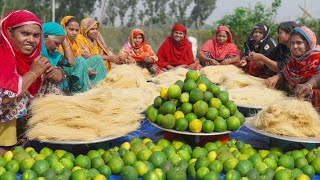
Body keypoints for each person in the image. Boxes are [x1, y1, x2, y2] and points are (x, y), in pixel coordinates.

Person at [0, 10, 58, 151]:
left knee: (47, 82)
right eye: (25, 33)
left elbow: (52, 81)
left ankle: (37, 136)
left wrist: (55, 73)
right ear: (9, 33)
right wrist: (33, 72)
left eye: (36, 35)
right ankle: (5, 145)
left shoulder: (30, 58)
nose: (31, 40)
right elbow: (5, 98)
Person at [266, 26, 320, 110]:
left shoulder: (317, 58)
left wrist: (309, 85)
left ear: (308, 44)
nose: (294, 46)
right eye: (292, 43)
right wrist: (277, 77)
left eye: (299, 43)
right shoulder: (295, 60)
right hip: (295, 105)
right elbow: (286, 71)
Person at [60, 16, 107, 93]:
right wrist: (85, 69)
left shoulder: (76, 42)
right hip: (64, 70)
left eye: (76, 30)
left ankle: (101, 87)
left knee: (97, 59)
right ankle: (81, 90)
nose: (74, 33)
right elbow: (63, 64)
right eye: (71, 30)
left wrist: (85, 67)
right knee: (80, 60)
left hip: (77, 66)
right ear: (64, 28)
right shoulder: (60, 42)